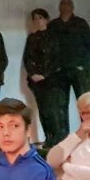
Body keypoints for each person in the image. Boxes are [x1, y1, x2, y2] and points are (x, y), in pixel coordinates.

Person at [23, 8, 64, 143]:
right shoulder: (32, 38)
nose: (38, 21)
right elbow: (27, 59)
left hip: (52, 79)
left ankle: (56, 139)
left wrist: (45, 74)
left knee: (52, 110)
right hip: (36, 81)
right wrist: (33, 74)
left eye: (40, 18)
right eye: (35, 18)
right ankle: (48, 138)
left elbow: (56, 59)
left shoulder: (54, 37)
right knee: (43, 111)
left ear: (46, 19)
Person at [48, 0, 90, 103]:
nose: (65, 7)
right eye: (63, 4)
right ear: (59, 7)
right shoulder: (53, 25)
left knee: (83, 101)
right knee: (60, 103)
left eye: (68, 4)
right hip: (59, 70)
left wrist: (83, 65)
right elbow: (48, 47)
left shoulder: (81, 23)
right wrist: (53, 67)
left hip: (78, 69)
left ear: (72, 7)